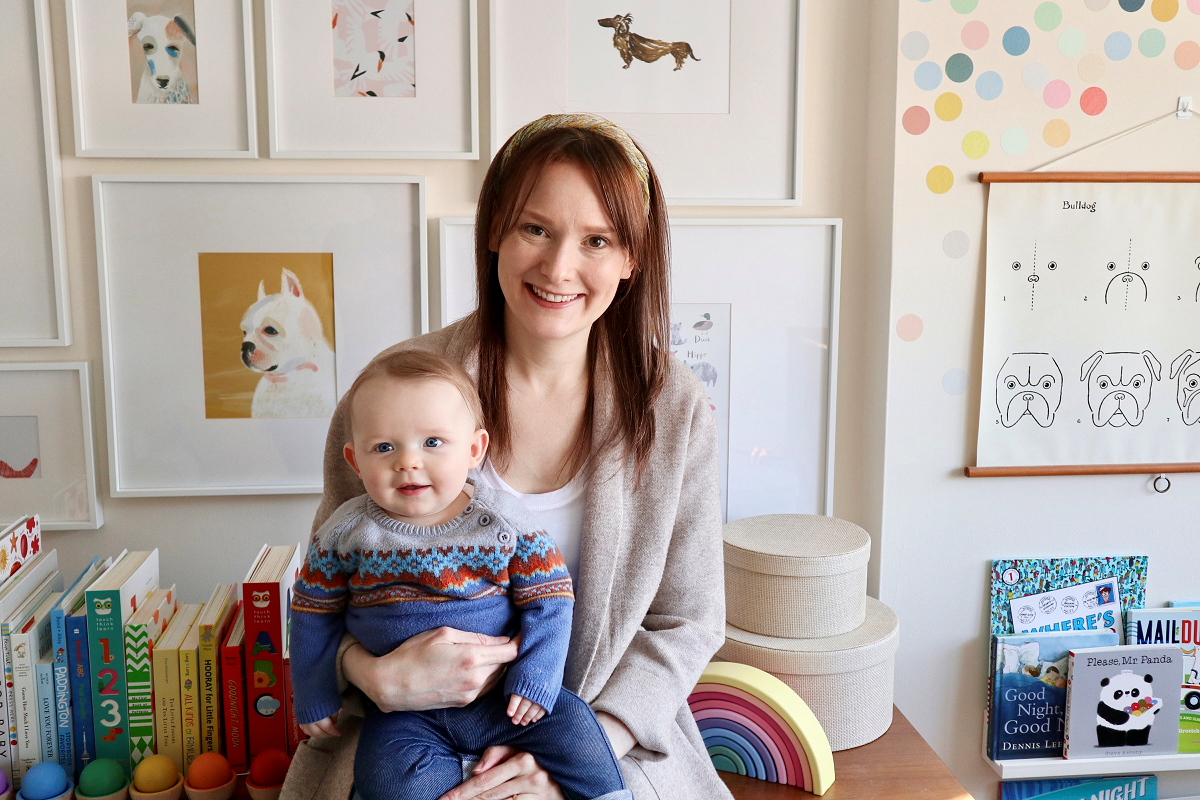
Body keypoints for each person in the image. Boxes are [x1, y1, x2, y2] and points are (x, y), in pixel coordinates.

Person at [281, 113, 734, 800]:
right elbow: (325, 587)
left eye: (596, 240)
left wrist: (577, 755)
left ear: (631, 259)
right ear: (494, 229)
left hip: (597, 738)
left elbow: (688, 620)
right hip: (401, 735)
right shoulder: (392, 390)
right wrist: (374, 676)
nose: (558, 268)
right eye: (535, 229)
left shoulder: (673, 407)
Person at [288, 349, 632, 800]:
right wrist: (313, 693)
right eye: (384, 447)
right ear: (355, 462)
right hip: (403, 714)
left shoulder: (503, 524)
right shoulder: (347, 533)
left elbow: (550, 596)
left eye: (432, 443)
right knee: (386, 782)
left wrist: (537, 677)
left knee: (579, 734)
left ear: (474, 450)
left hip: (506, 698)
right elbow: (312, 611)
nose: (408, 462)